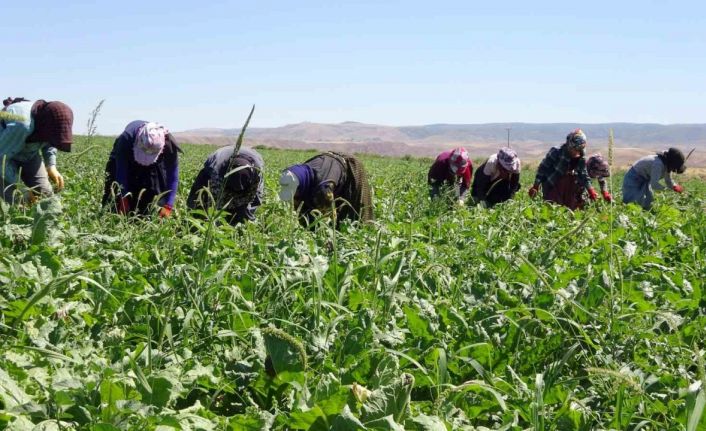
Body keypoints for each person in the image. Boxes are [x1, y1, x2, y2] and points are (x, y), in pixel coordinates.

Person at [0, 97, 73, 204]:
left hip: (28, 155)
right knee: (19, 201)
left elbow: (51, 140)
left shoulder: (47, 121)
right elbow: (2, 159)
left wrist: (51, 166)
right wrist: (21, 188)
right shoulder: (21, 124)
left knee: (46, 196)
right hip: (3, 154)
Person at [102, 121, 180, 217]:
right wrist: (123, 198)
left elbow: (173, 176)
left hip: (154, 162)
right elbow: (121, 171)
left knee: (152, 191)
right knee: (114, 197)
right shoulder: (126, 139)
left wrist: (168, 205)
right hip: (126, 156)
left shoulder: (168, 144)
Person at [278, 151, 373, 227]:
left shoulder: (323, 190)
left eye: (295, 194)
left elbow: (327, 222)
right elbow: (300, 209)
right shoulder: (294, 173)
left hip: (350, 167)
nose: (294, 198)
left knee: (357, 214)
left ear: (299, 187)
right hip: (327, 165)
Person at [186, 146, 264, 225]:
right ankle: (192, 219)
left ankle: (239, 222)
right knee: (201, 199)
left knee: (247, 207)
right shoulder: (215, 169)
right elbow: (214, 199)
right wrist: (215, 222)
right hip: (213, 171)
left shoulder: (257, 170)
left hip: (248, 170)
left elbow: (256, 197)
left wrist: (247, 218)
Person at [528, 128, 597, 210]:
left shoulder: (581, 156)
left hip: (570, 186)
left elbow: (584, 175)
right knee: (553, 209)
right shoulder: (556, 151)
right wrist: (536, 186)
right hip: (553, 184)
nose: (575, 152)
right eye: (574, 150)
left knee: (570, 210)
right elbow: (542, 168)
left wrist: (590, 190)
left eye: (578, 150)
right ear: (569, 145)